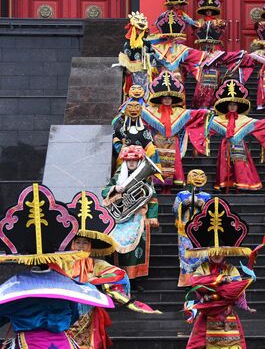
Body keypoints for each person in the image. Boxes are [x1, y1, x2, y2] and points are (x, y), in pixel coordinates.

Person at [0, 184, 114, 349]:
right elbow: (74, 313)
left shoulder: (16, 285)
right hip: (63, 343)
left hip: (29, 343)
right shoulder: (66, 284)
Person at [62, 190, 161, 348]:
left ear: (91, 246)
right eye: (78, 242)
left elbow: (118, 274)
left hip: (88, 315)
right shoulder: (62, 263)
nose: (81, 246)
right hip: (65, 315)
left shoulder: (96, 264)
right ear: (72, 244)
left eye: (85, 243)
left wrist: (94, 282)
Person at [184, 197, 256, 348]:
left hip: (227, 315)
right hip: (207, 314)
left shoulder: (232, 269)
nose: (216, 255)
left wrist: (244, 305)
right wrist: (221, 280)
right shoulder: (202, 268)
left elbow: (237, 292)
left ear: (225, 253)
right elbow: (196, 285)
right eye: (213, 252)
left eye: (220, 252)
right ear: (208, 253)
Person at [199, 79, 265, 191]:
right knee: (225, 165)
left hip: (239, 144)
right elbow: (205, 126)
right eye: (230, 104)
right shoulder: (218, 119)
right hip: (225, 144)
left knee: (240, 164)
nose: (232, 107)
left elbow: (259, 124)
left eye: (234, 104)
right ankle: (226, 185)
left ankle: (241, 185)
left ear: (238, 105)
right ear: (227, 106)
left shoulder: (244, 119)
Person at [141, 71, 210, 192]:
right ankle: (160, 186)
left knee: (173, 165)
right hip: (158, 142)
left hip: (173, 142)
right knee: (159, 164)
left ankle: (169, 187)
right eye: (165, 98)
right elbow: (141, 113)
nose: (167, 100)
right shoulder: (152, 110)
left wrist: (206, 113)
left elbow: (193, 114)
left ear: (173, 99)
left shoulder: (179, 112)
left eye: (169, 98)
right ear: (160, 98)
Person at [102, 145, 159, 283]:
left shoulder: (146, 179)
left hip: (138, 215)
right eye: (128, 160)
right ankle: (119, 275)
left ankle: (137, 279)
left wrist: (152, 216)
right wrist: (115, 188)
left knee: (138, 247)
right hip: (121, 216)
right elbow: (104, 192)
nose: (131, 162)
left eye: (134, 160)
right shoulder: (118, 175)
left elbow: (152, 197)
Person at [191, 0, 249, 109]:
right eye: (206, 11)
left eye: (210, 11)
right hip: (203, 65)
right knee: (201, 87)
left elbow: (223, 25)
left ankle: (212, 104)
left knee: (213, 85)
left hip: (214, 67)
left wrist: (241, 53)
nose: (208, 13)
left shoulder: (218, 22)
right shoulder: (200, 22)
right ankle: (200, 106)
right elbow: (193, 26)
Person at [172, 169, 212, 287]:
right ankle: (186, 282)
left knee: (202, 255)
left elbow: (212, 213)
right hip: (185, 230)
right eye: (195, 176)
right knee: (186, 256)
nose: (198, 178)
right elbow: (174, 211)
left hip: (201, 230)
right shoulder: (181, 195)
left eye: (202, 176)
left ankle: (202, 281)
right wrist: (184, 204)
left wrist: (202, 205)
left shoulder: (207, 196)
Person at [112, 84, 159, 168]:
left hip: (140, 161)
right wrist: (122, 149)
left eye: (137, 108)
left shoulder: (144, 129)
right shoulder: (120, 128)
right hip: (124, 160)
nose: (133, 111)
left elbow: (149, 145)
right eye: (130, 108)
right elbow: (115, 140)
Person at [117, 11, 156, 95]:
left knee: (145, 93)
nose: (139, 31)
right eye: (138, 29)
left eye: (141, 30)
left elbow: (153, 55)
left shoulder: (147, 43)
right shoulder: (127, 43)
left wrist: (150, 64)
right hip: (132, 72)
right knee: (133, 92)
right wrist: (126, 68)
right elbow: (124, 57)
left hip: (144, 72)